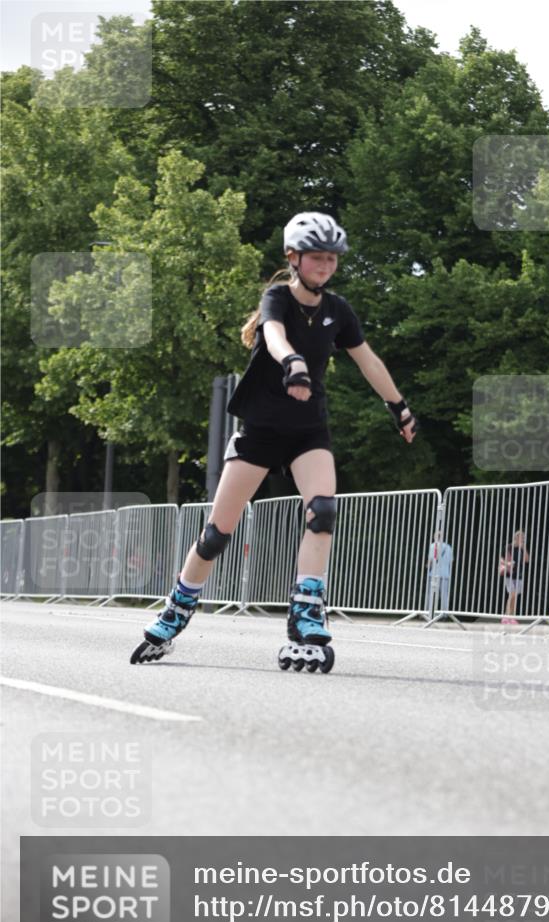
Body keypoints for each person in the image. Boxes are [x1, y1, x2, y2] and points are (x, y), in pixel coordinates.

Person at [131, 212, 417, 664]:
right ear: (293, 258)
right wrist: (293, 364)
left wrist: (398, 405)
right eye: (317, 258)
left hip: (308, 431)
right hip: (261, 431)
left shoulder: (338, 311)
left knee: (322, 512)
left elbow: (368, 361)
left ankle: (306, 612)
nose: (325, 266)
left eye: (332, 259)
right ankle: (177, 609)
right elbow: (275, 336)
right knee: (216, 535)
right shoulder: (277, 298)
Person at [499, 529, 529, 624]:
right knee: (511, 594)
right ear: (515, 538)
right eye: (521, 537)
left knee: (514, 597)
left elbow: (527, 560)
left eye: (523, 538)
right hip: (509, 574)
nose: (522, 540)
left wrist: (523, 548)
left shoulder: (521, 549)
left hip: (518, 575)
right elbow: (501, 560)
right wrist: (508, 563)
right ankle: (506, 617)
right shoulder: (508, 547)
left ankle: (511, 617)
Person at [426, 531, 452, 612]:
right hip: (445, 574)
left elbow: (431, 560)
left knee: (430, 594)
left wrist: (427, 566)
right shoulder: (448, 547)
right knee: (444, 595)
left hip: (434, 574)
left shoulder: (433, 546)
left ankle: (427, 612)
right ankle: (444, 614)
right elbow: (451, 561)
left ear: (436, 537)